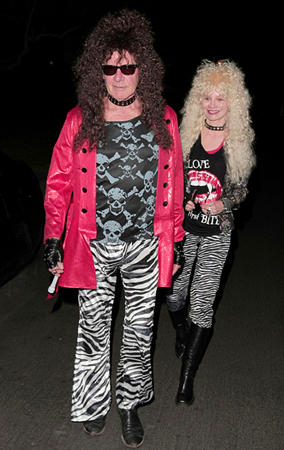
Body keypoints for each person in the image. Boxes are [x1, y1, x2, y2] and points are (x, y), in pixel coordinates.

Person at [43, 9, 185, 448]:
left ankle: (129, 405)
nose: (119, 76)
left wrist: (176, 240)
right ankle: (91, 403)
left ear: (143, 69)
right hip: (93, 245)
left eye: (128, 66)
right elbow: (59, 182)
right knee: (93, 331)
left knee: (140, 332)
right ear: (96, 71)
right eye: (110, 67)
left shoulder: (164, 118)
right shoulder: (78, 120)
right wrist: (53, 238)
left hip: (145, 244)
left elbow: (176, 181)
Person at [166, 59, 256, 405]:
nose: (214, 105)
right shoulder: (186, 133)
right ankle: (181, 332)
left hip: (217, 233)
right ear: (198, 100)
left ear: (231, 102)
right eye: (208, 98)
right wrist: (184, 200)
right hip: (184, 231)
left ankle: (185, 381)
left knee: (202, 305)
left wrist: (225, 204)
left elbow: (242, 189)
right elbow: (173, 180)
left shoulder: (237, 140)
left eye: (221, 98)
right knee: (174, 296)